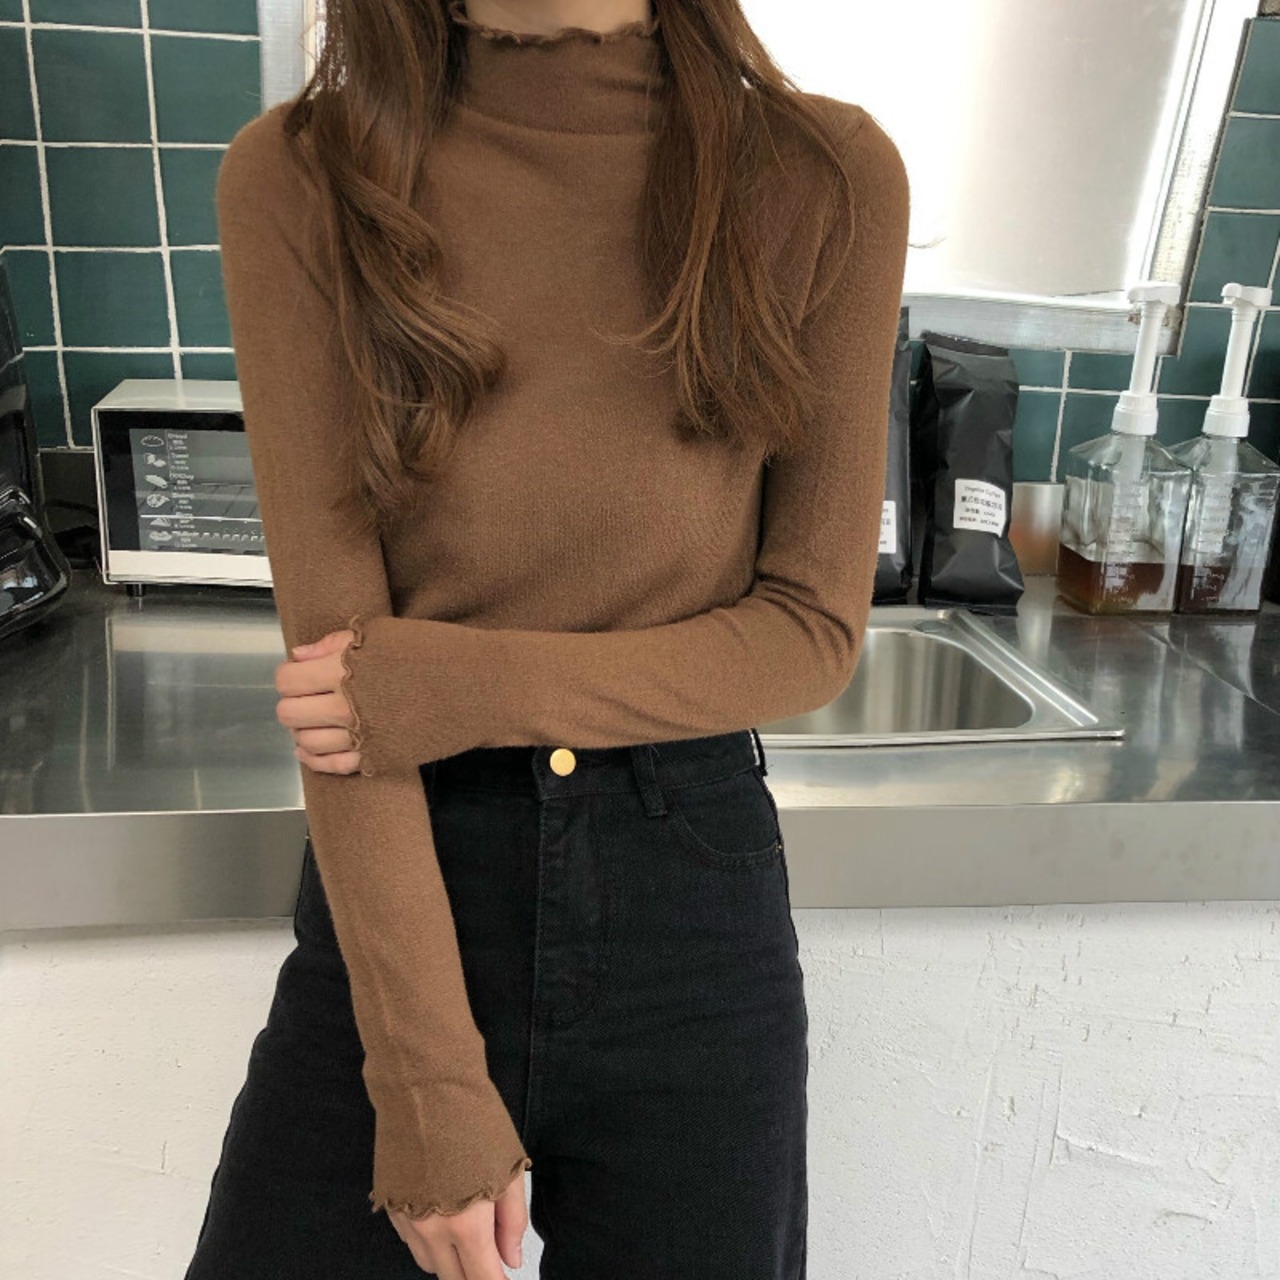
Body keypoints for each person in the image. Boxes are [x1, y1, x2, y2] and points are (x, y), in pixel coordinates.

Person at [186, 0, 909, 1276]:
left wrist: (466, 682)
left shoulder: (822, 175)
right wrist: (423, 1083)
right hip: (403, 883)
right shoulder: (303, 176)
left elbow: (806, 630)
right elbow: (346, 697)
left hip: (687, 904)